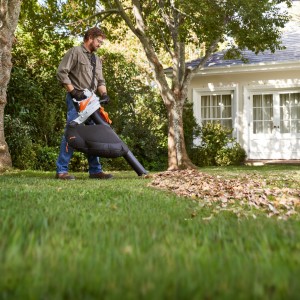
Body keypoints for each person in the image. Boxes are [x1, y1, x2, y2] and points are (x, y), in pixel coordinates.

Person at [55, 27, 113, 180]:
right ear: (90, 38)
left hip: (92, 102)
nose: (100, 45)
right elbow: (62, 72)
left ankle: (95, 171)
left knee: (94, 135)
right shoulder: (75, 52)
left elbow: (100, 81)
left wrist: (104, 94)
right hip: (76, 100)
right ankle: (61, 170)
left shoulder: (96, 59)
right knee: (72, 131)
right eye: (99, 41)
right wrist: (73, 91)